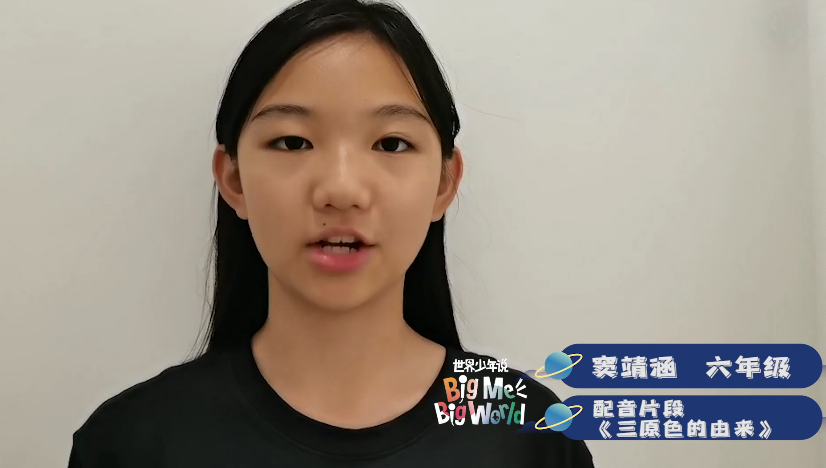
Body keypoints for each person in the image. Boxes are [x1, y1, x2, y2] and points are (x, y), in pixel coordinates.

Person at [68, 0, 594, 466]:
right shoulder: (132, 442)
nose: (341, 190)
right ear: (234, 180)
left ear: (443, 182)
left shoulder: (531, 435)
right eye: (293, 142)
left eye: (391, 144)